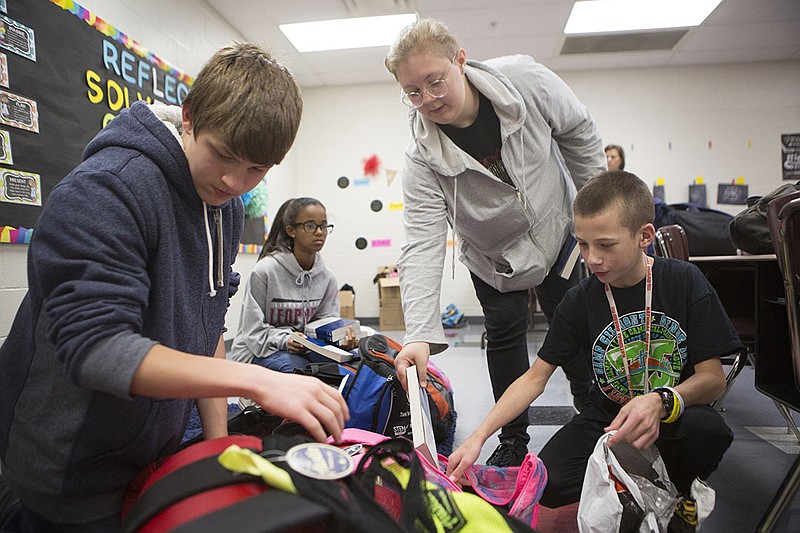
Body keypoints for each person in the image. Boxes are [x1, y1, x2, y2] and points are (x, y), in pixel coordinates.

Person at [0, 43, 349, 531]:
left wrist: (215, 450)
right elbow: (98, 349)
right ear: (188, 118)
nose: (234, 179)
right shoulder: (107, 188)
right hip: (73, 464)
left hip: (151, 450)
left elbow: (209, 325)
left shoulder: (224, 207)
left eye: (256, 169)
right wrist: (261, 380)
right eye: (223, 155)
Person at [446, 170, 741, 530]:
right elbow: (534, 379)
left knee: (709, 431)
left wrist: (660, 400)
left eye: (605, 245)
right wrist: (478, 437)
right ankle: (633, 487)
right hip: (608, 419)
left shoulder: (682, 281)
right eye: (583, 245)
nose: (591, 258)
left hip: (673, 415)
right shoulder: (581, 299)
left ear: (644, 236)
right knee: (549, 483)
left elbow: (713, 380)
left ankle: (680, 494)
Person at [384, 18, 606, 467]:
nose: (426, 99)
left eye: (435, 82)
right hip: (493, 257)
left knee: (577, 327)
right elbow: (423, 243)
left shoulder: (523, 80)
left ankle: (598, 418)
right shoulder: (420, 159)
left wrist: (598, 219)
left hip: (556, 231)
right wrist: (420, 334)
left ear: (460, 61)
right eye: (412, 92)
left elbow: (579, 133)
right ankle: (513, 439)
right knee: (505, 336)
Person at [230, 197, 357, 372]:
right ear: (291, 231)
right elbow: (253, 332)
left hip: (304, 349)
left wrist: (340, 340)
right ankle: (251, 398)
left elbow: (324, 326)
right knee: (299, 370)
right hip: (258, 351)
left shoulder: (327, 278)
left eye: (324, 225)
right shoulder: (265, 272)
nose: (319, 232)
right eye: (310, 225)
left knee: (352, 362)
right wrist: (286, 340)